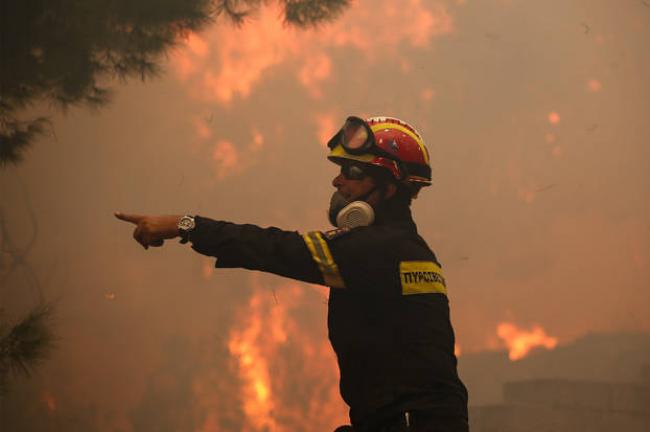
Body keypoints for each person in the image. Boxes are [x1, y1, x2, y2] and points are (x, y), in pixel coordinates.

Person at [115, 116, 469, 431]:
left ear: (390, 189)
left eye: (353, 173)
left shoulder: (377, 250)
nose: (337, 181)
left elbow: (277, 249)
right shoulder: (406, 249)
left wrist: (185, 224)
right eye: (341, 169)